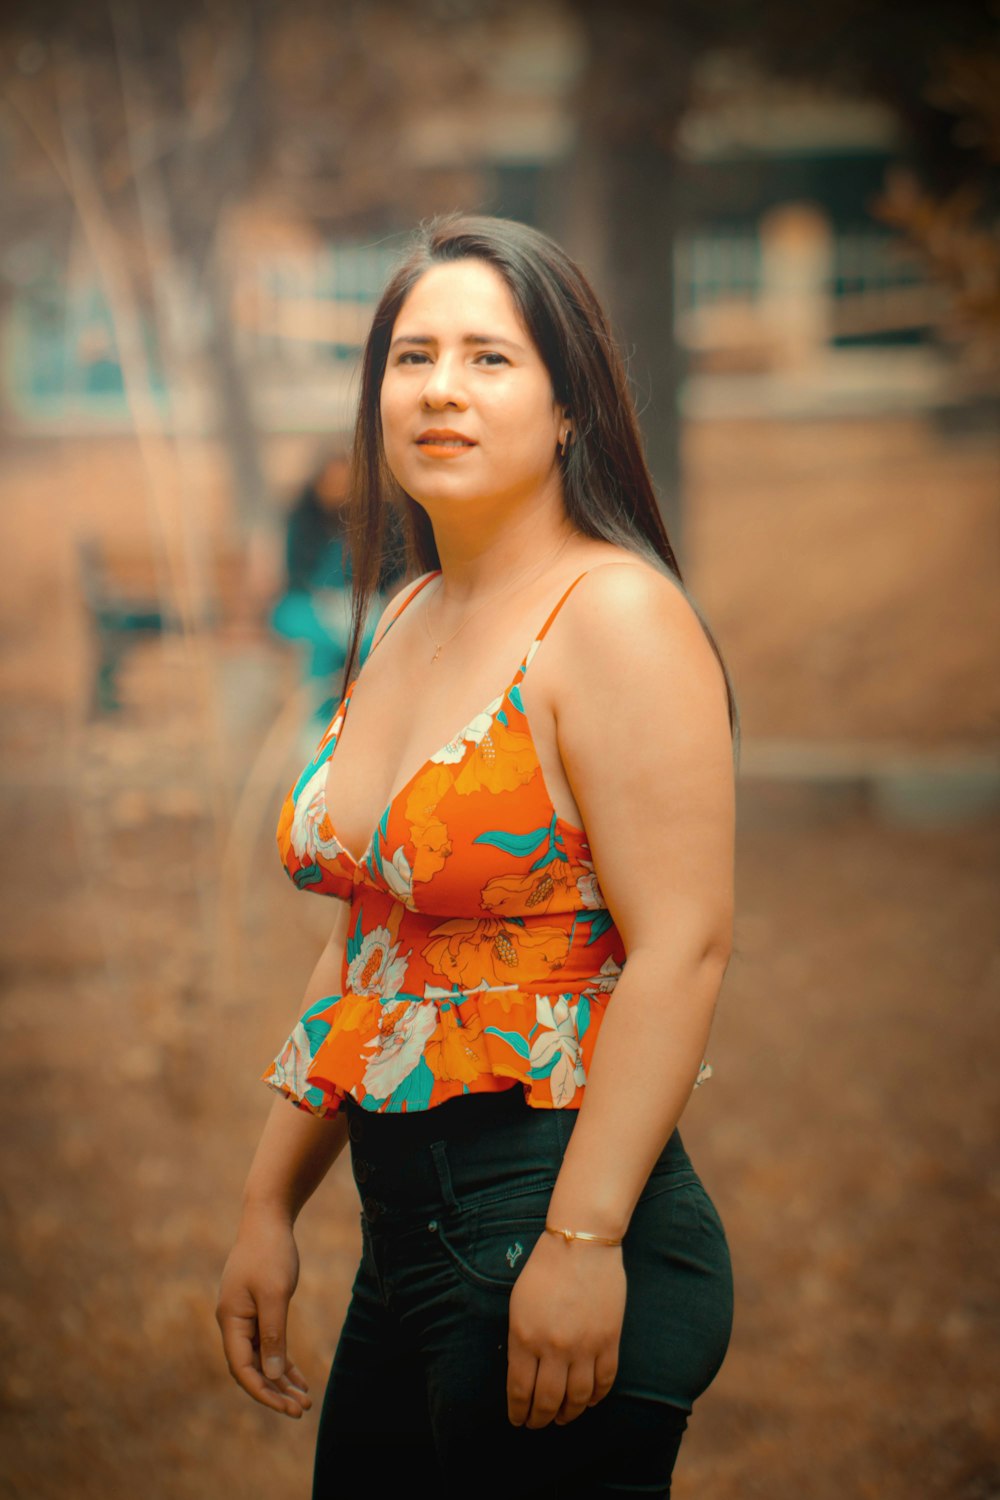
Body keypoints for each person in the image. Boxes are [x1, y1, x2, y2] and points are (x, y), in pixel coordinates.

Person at [216, 213, 739, 1498]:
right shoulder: (402, 610)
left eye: (489, 359)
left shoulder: (611, 615)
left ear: (571, 407)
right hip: (406, 1242)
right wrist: (266, 1206)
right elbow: (375, 949)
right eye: (412, 356)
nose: (440, 387)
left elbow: (684, 948)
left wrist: (582, 1240)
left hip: (549, 1212)